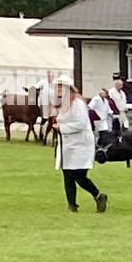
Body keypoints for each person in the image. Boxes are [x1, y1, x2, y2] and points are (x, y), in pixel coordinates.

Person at [52, 82, 107, 213]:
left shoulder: (78, 104)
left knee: (79, 175)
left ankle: (99, 196)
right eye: (57, 88)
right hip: (67, 145)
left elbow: (81, 124)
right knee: (67, 174)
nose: (58, 90)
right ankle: (72, 205)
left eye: (61, 88)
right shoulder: (62, 104)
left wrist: (62, 128)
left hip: (80, 144)